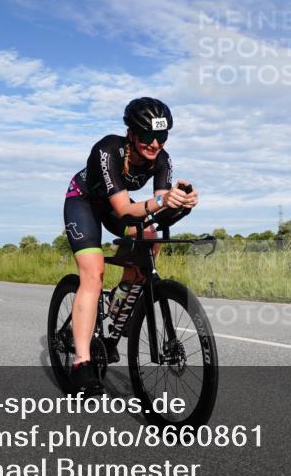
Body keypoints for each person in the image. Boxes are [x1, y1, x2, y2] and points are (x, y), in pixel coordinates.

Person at [62, 97, 199, 394]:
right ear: (132, 133)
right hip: (83, 203)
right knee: (93, 273)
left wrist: (182, 204)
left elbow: (157, 210)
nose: (155, 144)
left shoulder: (162, 159)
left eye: (161, 137)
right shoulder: (108, 149)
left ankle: (116, 313)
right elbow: (125, 209)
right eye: (148, 136)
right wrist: (161, 201)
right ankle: (81, 362)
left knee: (149, 241)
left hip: (115, 208)